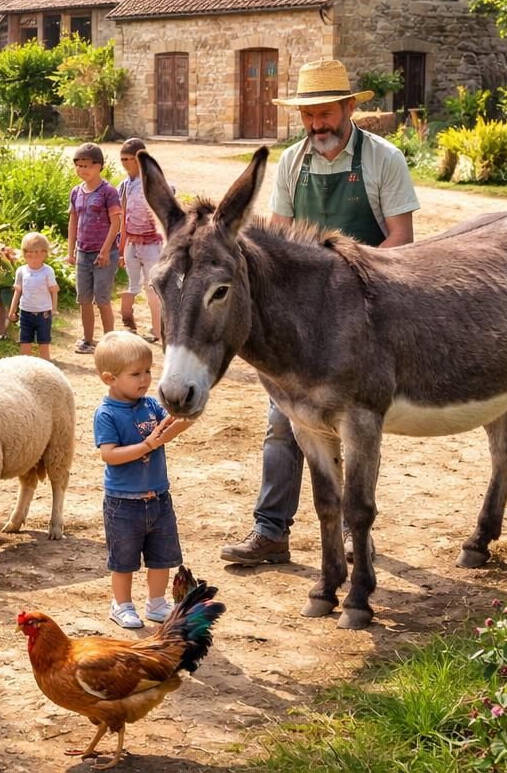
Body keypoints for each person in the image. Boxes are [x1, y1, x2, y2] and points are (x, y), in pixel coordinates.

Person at [220, 58, 420, 566]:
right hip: (301, 317)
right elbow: (275, 235)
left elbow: (402, 238)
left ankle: (357, 533)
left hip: (363, 311)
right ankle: (271, 531)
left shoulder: (382, 159)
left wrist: (360, 284)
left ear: (350, 108)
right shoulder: (292, 162)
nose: (316, 125)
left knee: (356, 430)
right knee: (281, 423)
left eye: (325, 114)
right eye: (308, 116)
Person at [94, 331, 194, 629]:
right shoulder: (106, 413)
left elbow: (171, 425)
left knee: (161, 557)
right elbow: (109, 455)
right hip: (123, 503)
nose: (145, 379)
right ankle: (121, 604)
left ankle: (157, 602)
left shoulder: (150, 405)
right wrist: (148, 445)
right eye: (135, 374)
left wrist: (185, 416)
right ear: (110, 379)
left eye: (148, 371)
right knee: (123, 561)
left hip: (159, 498)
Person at [66, 143, 123, 355]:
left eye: (87, 166)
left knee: (102, 298)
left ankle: (110, 343)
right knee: (83, 299)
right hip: (83, 252)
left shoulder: (108, 192)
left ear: (99, 166)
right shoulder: (76, 192)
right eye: (79, 166)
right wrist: (70, 251)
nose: (83, 170)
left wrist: (106, 250)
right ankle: (88, 340)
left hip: (104, 253)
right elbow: (73, 221)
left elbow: (116, 222)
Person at [116, 138, 167, 344]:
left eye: (129, 159)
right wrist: (121, 248)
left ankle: (158, 330)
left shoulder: (154, 183)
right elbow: (123, 217)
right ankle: (129, 322)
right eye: (123, 159)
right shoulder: (124, 186)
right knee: (132, 284)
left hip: (151, 243)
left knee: (153, 287)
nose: (125, 163)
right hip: (131, 242)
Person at [8, 232, 59, 362]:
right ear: (24, 254)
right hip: (25, 312)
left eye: (36, 254)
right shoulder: (21, 271)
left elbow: (54, 290)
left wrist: (54, 308)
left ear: (44, 254)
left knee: (44, 341)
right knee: (25, 341)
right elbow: (18, 291)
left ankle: (46, 365)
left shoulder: (48, 271)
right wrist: (12, 310)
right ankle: (26, 365)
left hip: (44, 313)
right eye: (28, 254)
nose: (33, 259)